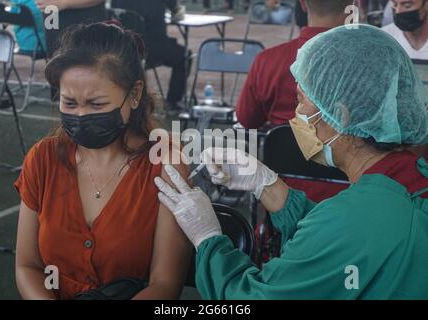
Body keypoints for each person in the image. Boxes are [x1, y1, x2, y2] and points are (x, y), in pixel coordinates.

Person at [155, 24, 428, 299]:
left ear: (341, 115)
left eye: (301, 100)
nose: (296, 114)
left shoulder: (356, 218)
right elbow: (339, 242)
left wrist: (208, 239)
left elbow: (253, 298)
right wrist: (268, 185)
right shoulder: (410, 180)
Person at [14, 23, 192, 300]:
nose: (82, 115)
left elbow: (164, 283)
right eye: (69, 103)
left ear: (134, 95)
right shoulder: (42, 159)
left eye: (96, 105)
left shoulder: (166, 164)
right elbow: (27, 266)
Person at [237, 0, 354, 202]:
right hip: (350, 199)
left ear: (303, 4)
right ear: (352, 4)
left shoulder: (268, 60)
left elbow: (247, 120)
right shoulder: (368, 64)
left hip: (281, 199)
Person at [112, 0, 192, 112]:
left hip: (123, 50)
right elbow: (178, 14)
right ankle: (172, 102)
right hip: (152, 50)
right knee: (185, 56)